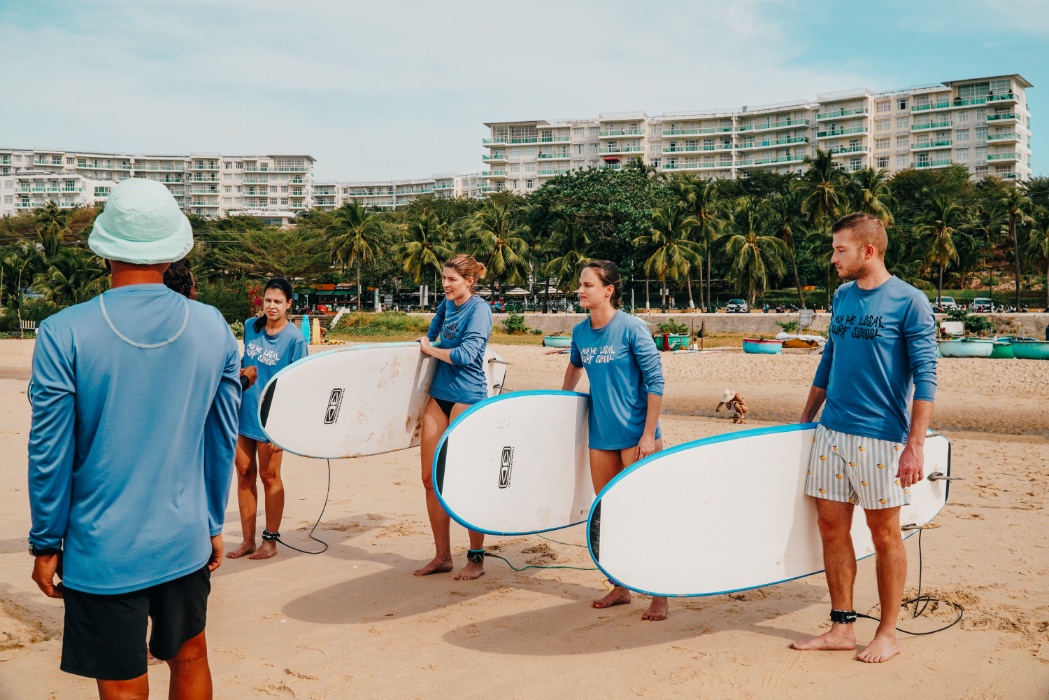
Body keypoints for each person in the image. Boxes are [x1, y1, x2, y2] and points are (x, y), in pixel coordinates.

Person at [27, 178, 240, 698]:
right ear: (172, 252)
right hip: (184, 535)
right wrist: (212, 521)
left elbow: (49, 451)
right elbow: (221, 439)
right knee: (190, 655)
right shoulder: (213, 326)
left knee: (122, 683)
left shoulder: (63, 331)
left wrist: (46, 540)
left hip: (103, 545)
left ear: (104, 250)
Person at [792, 213, 937, 664]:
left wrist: (915, 444)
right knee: (831, 529)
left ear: (867, 251)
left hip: (881, 438)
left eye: (840, 249)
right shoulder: (842, 296)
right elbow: (830, 359)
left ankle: (888, 633)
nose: (833, 257)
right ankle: (842, 627)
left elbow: (927, 375)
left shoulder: (910, 302)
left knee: (884, 534)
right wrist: (805, 419)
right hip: (831, 431)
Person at [561, 260, 669, 621]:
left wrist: (648, 435)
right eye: (580, 284)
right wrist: (560, 402)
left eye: (588, 285)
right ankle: (620, 586)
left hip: (636, 435)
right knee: (606, 513)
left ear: (608, 290)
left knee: (646, 512)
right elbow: (575, 365)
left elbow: (655, 383)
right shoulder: (580, 331)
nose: (581, 290)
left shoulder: (632, 328)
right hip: (601, 435)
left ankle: (659, 592)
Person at [414, 254, 493, 580]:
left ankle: (476, 557)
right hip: (440, 395)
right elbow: (431, 335)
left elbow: (468, 354)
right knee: (430, 479)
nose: (445, 285)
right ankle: (442, 555)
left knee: (465, 480)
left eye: (451, 280)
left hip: (468, 397)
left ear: (469, 281)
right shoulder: (446, 305)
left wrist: (431, 350)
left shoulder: (479, 310)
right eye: (444, 279)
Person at [227, 278, 308, 561]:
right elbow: (244, 365)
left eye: (278, 301)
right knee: (245, 474)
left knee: (269, 476)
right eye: (267, 300)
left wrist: (282, 430)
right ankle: (247, 540)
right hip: (243, 411)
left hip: (271, 419)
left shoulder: (295, 339)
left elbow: (299, 385)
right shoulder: (251, 327)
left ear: (288, 304)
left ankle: (270, 540)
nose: (271, 306)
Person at [165, 259, 258, 392]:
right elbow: (220, 388)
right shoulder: (210, 320)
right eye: (194, 286)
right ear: (182, 289)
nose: (195, 293)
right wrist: (244, 380)